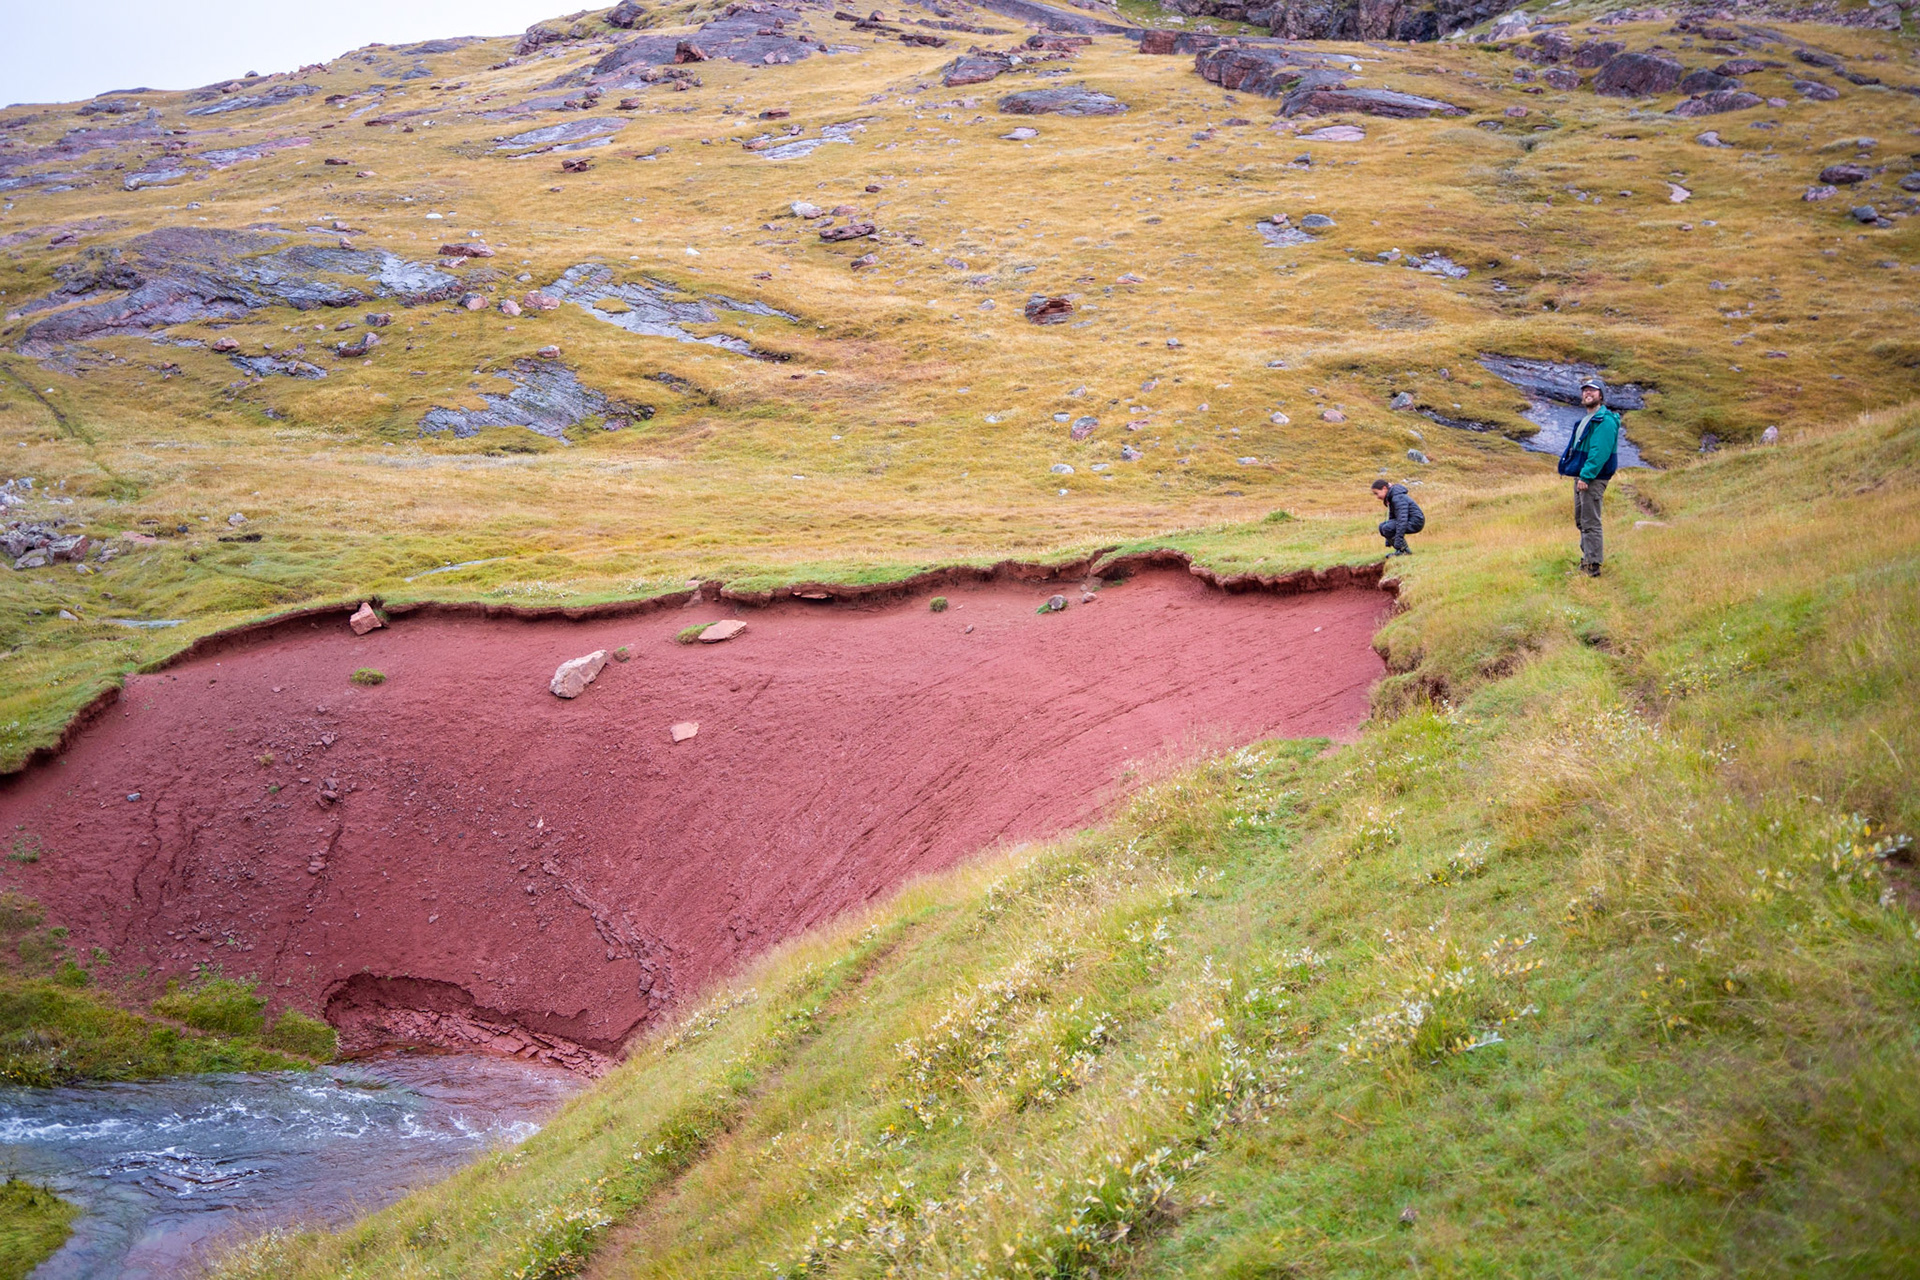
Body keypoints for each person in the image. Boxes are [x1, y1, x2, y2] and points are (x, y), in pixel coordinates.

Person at [1558, 377, 1620, 577]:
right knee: (1582, 520)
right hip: (1583, 477)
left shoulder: (1605, 420)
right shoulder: (1588, 419)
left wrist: (1586, 475)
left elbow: (1599, 452)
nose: (1588, 393)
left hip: (1593, 478)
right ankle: (1587, 561)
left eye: (1592, 391)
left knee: (1590, 521)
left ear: (1601, 395)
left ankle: (1592, 567)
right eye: (1585, 390)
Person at [1372, 478, 1424, 556]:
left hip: (1415, 522)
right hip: (1409, 521)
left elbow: (1402, 520)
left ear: (1384, 488)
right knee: (1382, 526)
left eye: (1377, 493)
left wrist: (1398, 542)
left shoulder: (1398, 498)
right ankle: (1400, 551)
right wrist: (1388, 538)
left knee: (1387, 527)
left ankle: (1404, 551)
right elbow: (1392, 518)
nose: (1377, 497)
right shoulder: (1392, 497)